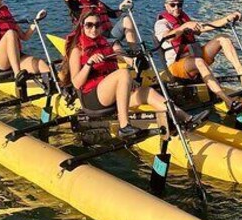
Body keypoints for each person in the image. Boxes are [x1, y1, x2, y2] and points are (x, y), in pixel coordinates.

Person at [62, 10, 198, 139]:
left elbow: (120, 56)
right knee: (123, 73)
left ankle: (185, 118)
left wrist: (134, 63)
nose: (93, 29)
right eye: (89, 25)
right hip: (93, 99)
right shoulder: (77, 50)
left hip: (111, 96)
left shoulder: (106, 43)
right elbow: (76, 83)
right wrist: (89, 64)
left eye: (97, 25)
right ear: (82, 26)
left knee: (147, 92)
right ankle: (124, 126)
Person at [154, 0, 242, 113]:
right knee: (199, 61)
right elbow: (167, 37)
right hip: (176, 66)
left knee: (223, 38)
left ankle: (241, 70)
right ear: (166, 6)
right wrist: (183, 27)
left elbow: (206, 27)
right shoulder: (161, 24)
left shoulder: (184, 19)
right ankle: (228, 101)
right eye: (172, 5)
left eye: (179, 5)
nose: (176, 8)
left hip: (193, 57)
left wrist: (228, 18)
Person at [63, 0, 139, 48]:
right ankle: (120, 53)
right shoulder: (76, 5)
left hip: (109, 34)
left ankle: (135, 51)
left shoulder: (99, 4)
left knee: (127, 19)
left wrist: (122, 7)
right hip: (95, 38)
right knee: (115, 43)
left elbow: (113, 14)